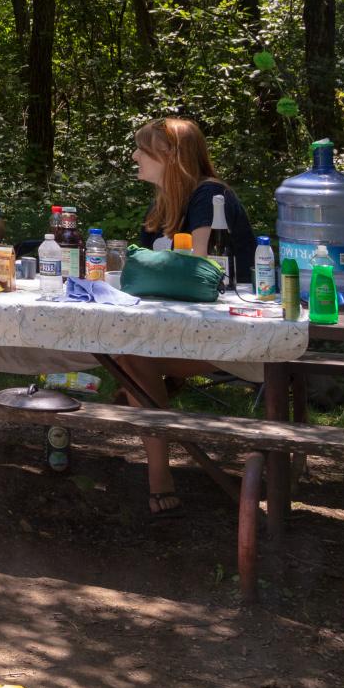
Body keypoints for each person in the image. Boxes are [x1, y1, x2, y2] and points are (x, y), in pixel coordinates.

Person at [119, 116, 255, 518]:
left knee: (129, 360)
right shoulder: (164, 202)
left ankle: (159, 476)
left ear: (170, 155)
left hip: (232, 333)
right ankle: (158, 467)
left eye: (141, 149)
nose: (134, 156)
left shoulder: (210, 196)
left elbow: (198, 267)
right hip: (179, 327)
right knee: (123, 356)